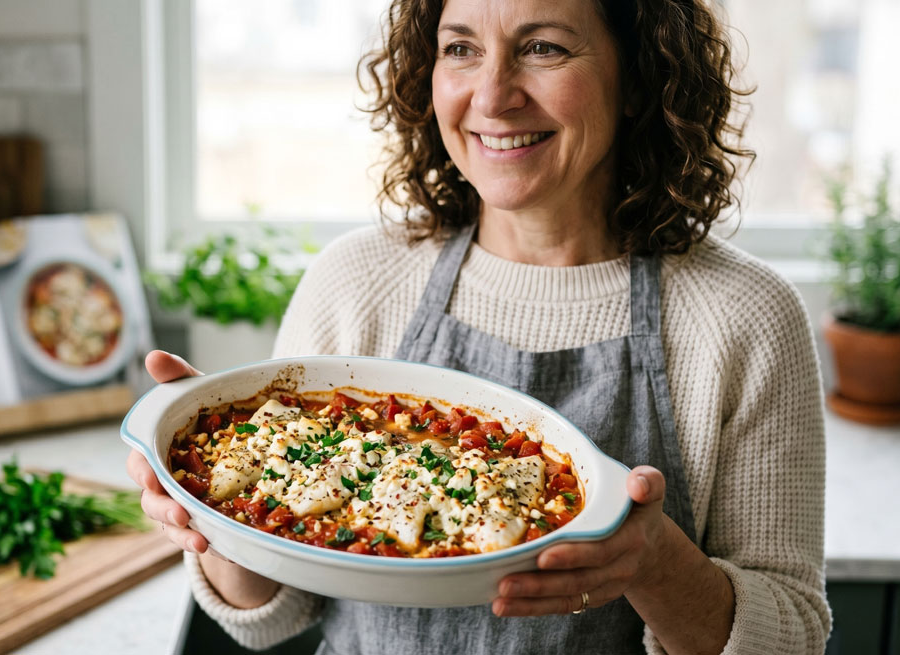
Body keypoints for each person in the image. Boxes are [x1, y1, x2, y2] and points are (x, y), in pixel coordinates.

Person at [127, 0, 832, 652]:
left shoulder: (744, 318)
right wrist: (212, 501)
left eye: (545, 47)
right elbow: (269, 612)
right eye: (461, 48)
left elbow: (793, 637)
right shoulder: (356, 280)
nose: (492, 96)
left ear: (642, 71)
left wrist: (652, 562)